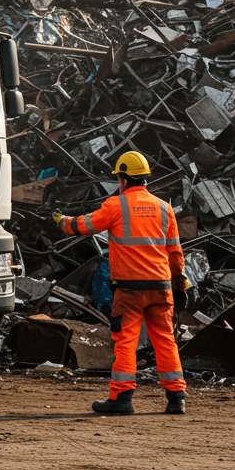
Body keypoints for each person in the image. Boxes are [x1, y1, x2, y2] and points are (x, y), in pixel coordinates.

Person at [54, 150, 193, 415]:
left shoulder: (116, 206)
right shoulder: (164, 208)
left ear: (124, 179)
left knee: (126, 341)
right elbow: (175, 253)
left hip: (129, 289)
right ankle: (177, 398)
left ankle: (122, 398)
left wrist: (62, 222)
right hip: (161, 287)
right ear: (145, 179)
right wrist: (179, 282)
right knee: (165, 340)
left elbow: (85, 226)